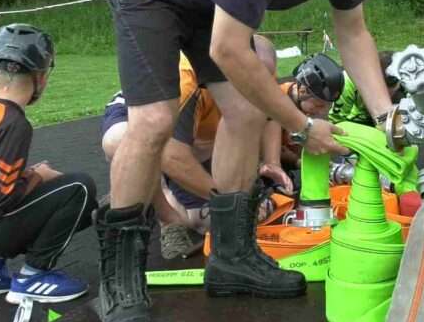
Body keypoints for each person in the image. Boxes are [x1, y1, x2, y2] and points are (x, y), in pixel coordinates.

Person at [99, 0, 406, 322]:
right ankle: (118, 282)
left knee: (243, 111)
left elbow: (353, 33)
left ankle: (231, 256)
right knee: (154, 120)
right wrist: (303, 126)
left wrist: (388, 117)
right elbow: (228, 50)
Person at [101, 35, 289, 260]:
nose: (257, 92)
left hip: (197, 137)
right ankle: (165, 217)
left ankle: (136, 188)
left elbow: (270, 115)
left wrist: (272, 161)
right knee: (120, 142)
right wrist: (227, 201)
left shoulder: (260, 71)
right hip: (145, 119)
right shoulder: (188, 82)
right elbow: (170, 155)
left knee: (208, 221)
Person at [0, 24, 97, 305]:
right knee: (80, 188)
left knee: (54, 187)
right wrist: (38, 176)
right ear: (41, 78)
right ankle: (32, 277)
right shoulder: (14, 124)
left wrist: (30, 176)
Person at [271, 53, 346, 171]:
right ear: (302, 91)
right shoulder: (276, 101)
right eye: (318, 105)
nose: (321, 112)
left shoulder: (305, 105)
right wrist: (300, 163)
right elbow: (270, 149)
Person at [328, 51, 402, 127]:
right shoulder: (348, 81)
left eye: (390, 94)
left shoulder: (404, 87)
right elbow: (335, 122)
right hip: (351, 122)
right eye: (375, 94)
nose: (384, 98)